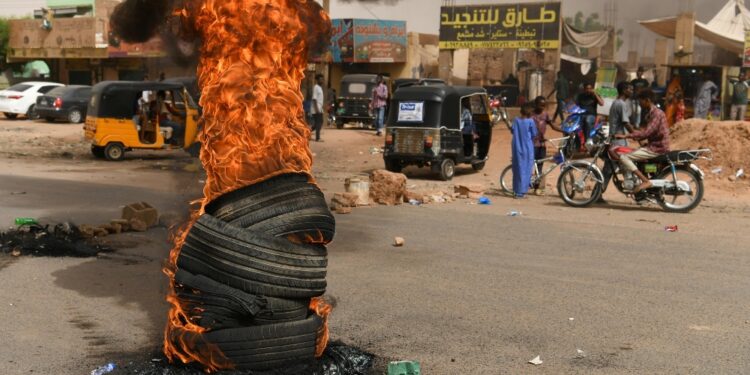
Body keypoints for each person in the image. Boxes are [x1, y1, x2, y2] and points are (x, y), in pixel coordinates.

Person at [615, 89, 670, 193]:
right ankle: (643, 186)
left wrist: (625, 136)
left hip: (657, 148)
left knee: (624, 157)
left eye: (641, 101)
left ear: (647, 100)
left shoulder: (656, 114)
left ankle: (645, 181)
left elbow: (646, 133)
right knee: (637, 156)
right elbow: (651, 132)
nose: (640, 104)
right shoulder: (651, 113)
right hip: (655, 144)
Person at [601, 81, 635, 197]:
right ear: (624, 90)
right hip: (617, 141)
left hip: (617, 140)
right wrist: (636, 135)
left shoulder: (617, 103)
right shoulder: (620, 104)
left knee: (611, 169)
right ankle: (597, 193)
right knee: (621, 167)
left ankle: (598, 193)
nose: (632, 91)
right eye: (630, 89)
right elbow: (626, 123)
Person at [530, 96, 562, 196]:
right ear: (535, 104)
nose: (542, 107)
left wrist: (564, 131)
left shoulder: (545, 114)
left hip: (542, 144)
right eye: (540, 105)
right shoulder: (530, 115)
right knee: (530, 165)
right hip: (532, 143)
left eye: (544, 105)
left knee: (539, 166)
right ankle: (525, 184)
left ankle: (537, 187)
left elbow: (552, 125)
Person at [511, 102, 537, 199]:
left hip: (516, 147)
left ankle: (516, 190)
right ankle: (521, 192)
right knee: (526, 169)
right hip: (527, 147)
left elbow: (512, 130)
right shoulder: (530, 121)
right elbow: (534, 133)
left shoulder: (515, 120)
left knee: (518, 168)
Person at [311, 74, 325, 142]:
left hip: (319, 108)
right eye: (320, 79)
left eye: (322, 79)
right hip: (316, 109)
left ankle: (306, 133)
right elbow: (314, 99)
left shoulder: (320, 88)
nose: (322, 80)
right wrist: (317, 110)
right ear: (317, 80)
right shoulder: (316, 87)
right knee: (318, 123)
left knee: (318, 123)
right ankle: (317, 138)